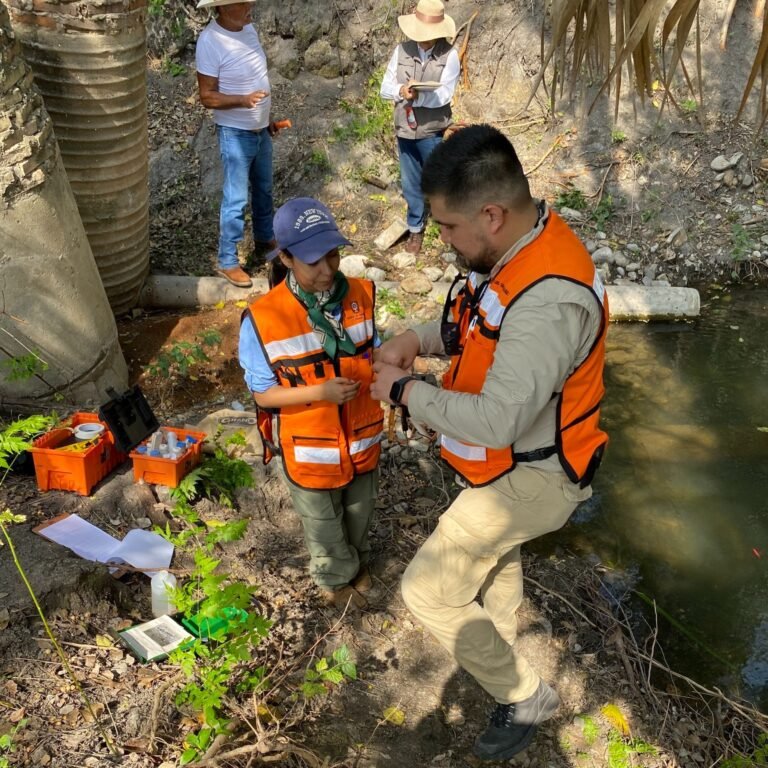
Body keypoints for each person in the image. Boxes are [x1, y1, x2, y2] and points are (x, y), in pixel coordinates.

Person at [370, 125, 609, 761]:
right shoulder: (515, 253)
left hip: (534, 475)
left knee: (427, 590)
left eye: (447, 227)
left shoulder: (551, 298)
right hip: (510, 464)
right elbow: (476, 326)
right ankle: (497, 638)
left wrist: (402, 391)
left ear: (492, 215)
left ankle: (528, 695)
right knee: (494, 561)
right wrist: (415, 341)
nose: (442, 240)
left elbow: (500, 419)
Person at [240, 197, 384, 610]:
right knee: (322, 522)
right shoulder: (264, 319)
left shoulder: (360, 296)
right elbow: (263, 395)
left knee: (360, 508)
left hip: (361, 439)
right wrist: (319, 393)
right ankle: (336, 577)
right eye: (313, 261)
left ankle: (356, 563)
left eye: (334, 255)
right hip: (310, 449)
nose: (327, 270)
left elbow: (375, 354)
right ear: (285, 258)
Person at [195, 0, 278, 289]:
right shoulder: (210, 41)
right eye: (243, 2)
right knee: (236, 199)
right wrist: (242, 101)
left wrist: (266, 118)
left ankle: (265, 240)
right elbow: (207, 96)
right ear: (222, 8)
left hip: (259, 129)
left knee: (264, 189)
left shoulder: (248, 28)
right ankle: (227, 260)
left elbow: (254, 76)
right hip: (235, 132)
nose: (250, 5)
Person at [380, 0, 460, 255]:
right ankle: (416, 229)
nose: (423, 41)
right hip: (405, 127)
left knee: (440, 180)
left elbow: (445, 94)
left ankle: (452, 227)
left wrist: (419, 97)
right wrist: (401, 91)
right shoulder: (401, 50)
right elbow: (385, 88)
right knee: (410, 182)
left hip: (432, 130)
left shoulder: (450, 55)